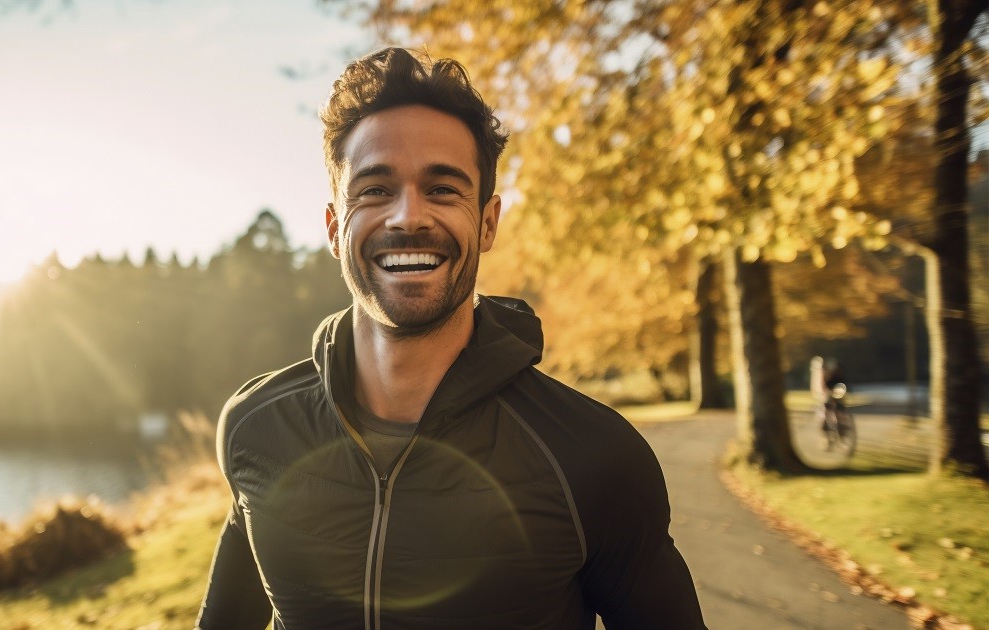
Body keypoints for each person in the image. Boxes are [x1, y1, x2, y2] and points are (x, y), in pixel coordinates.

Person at [195, 47, 706, 629]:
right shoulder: (256, 426)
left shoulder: (593, 458)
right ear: (336, 228)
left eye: (442, 189)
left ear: (487, 224)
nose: (408, 217)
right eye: (374, 190)